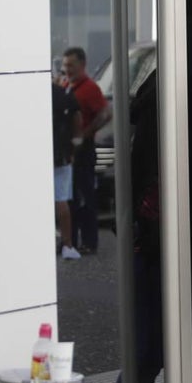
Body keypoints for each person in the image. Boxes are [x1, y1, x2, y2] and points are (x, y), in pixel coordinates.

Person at [100, 69, 166, 383]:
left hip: (145, 246)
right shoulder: (162, 129)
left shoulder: (143, 124)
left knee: (147, 356)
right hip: (155, 247)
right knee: (155, 354)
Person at [61, 46, 111, 254]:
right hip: (68, 150)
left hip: (83, 148)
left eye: (71, 65)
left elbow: (105, 113)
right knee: (69, 197)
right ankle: (69, 241)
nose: (67, 70)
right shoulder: (65, 85)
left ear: (82, 65)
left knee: (85, 196)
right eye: (65, 66)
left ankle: (89, 242)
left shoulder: (89, 88)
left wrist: (85, 133)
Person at [52, 82, 82, 261]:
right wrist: (75, 143)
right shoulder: (63, 93)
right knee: (61, 199)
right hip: (62, 154)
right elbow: (77, 115)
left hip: (39, 153)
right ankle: (68, 245)